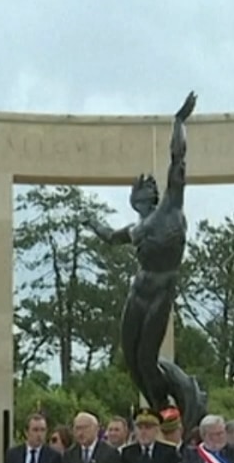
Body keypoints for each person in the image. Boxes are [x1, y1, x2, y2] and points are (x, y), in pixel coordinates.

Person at [84, 92, 207, 429]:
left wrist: (179, 122)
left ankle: (176, 400)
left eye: (143, 191)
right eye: (135, 194)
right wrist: (90, 222)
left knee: (146, 358)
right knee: (131, 360)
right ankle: (159, 409)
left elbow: (177, 160)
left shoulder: (171, 207)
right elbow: (111, 237)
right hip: (137, 290)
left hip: (161, 289)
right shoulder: (136, 228)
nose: (139, 196)